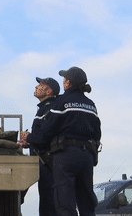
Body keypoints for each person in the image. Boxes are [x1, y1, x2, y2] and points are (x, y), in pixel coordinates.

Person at [26, 67, 101, 216]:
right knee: (86, 203)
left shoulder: (61, 102)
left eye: (65, 78)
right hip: (87, 156)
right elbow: (97, 133)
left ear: (68, 82)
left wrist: (29, 138)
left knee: (64, 203)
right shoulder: (91, 104)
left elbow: (46, 134)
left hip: (65, 156)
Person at [19, 77, 60, 216]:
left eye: (41, 85)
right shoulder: (44, 108)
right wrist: (29, 143)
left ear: (49, 91)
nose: (36, 87)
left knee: (49, 204)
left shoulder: (51, 108)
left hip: (48, 163)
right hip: (44, 162)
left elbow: (45, 138)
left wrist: (28, 137)